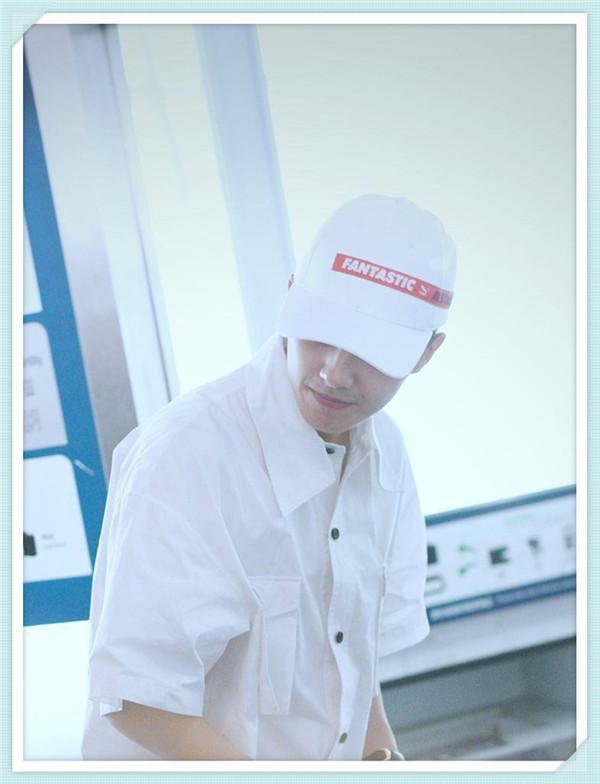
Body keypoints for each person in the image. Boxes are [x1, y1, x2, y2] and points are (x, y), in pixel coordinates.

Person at [81, 194, 457, 761]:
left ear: (427, 354)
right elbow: (137, 700)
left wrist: (381, 759)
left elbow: (348, 658)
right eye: (321, 330)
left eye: (372, 353)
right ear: (290, 296)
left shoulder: (384, 452)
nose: (334, 372)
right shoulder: (187, 456)